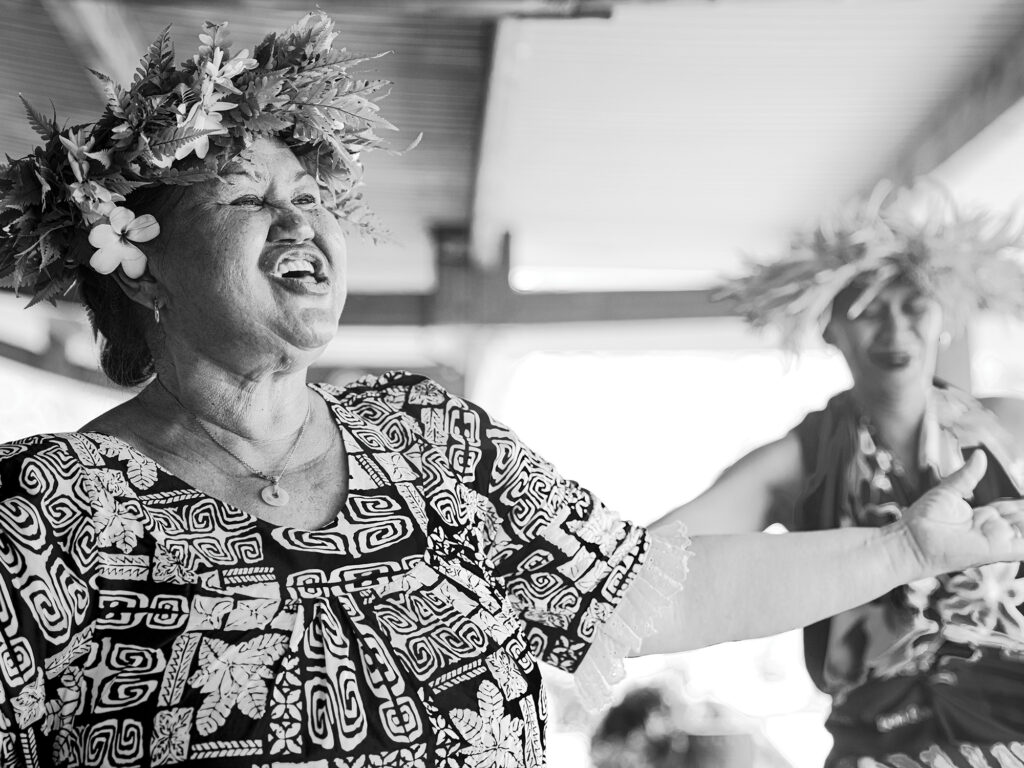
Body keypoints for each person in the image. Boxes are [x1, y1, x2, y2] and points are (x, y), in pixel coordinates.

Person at [1, 14, 1023, 768]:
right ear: (137, 262)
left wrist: (906, 550)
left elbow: (657, 587)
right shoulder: (43, 511)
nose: (302, 221)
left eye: (311, 197)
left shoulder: (430, 436)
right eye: (247, 199)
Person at [653, 185, 1024, 768]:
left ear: (944, 318)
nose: (895, 329)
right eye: (868, 308)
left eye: (913, 305)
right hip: (881, 753)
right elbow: (645, 565)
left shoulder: (1008, 431)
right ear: (831, 327)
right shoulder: (801, 460)